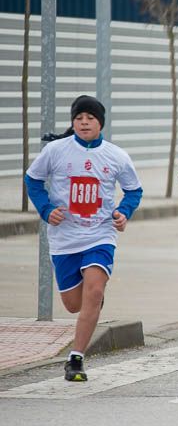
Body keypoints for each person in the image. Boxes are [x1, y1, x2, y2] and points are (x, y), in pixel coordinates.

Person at [24, 96, 143, 382]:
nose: (84, 122)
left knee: (93, 291)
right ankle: (93, 300)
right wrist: (47, 209)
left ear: (101, 122)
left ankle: (76, 357)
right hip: (64, 237)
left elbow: (133, 190)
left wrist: (122, 212)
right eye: (79, 118)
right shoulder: (56, 150)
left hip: (100, 234)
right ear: (73, 122)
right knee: (73, 304)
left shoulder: (116, 156)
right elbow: (32, 179)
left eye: (90, 117)